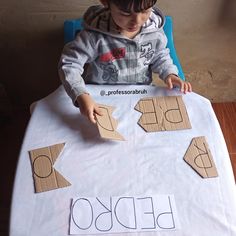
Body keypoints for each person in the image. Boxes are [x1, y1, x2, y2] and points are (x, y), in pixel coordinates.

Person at [58, 0, 192, 123]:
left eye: (145, 11)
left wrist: (170, 74)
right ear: (106, 2)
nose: (137, 21)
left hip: (140, 96)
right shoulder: (93, 36)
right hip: (100, 99)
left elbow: (160, 56)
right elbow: (70, 64)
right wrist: (80, 94)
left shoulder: (154, 31)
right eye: (125, 13)